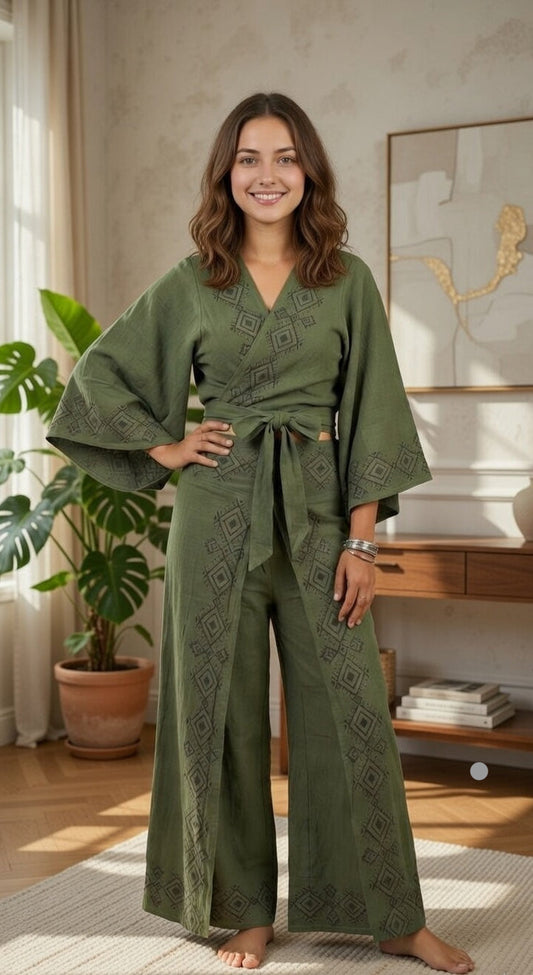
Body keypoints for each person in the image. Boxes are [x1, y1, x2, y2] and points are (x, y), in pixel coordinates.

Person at [47, 93, 475, 973]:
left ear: (307, 169)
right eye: (249, 158)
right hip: (216, 512)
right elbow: (97, 377)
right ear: (226, 173)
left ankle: (391, 914)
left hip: (321, 516)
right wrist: (167, 443)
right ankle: (242, 910)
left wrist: (362, 541)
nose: (267, 174)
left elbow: (372, 414)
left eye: (283, 157)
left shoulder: (346, 279)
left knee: (351, 709)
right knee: (221, 711)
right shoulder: (192, 280)